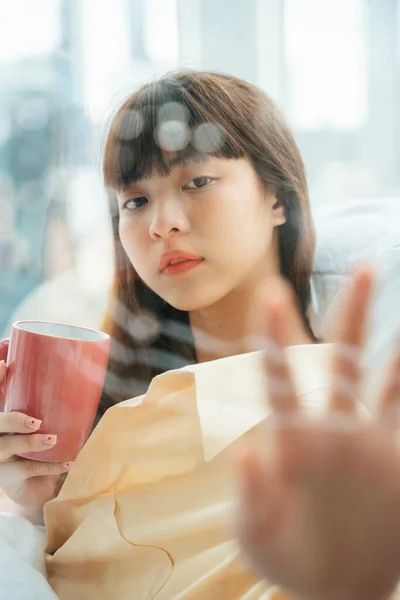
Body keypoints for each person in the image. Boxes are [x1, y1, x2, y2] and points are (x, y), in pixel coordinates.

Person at [0, 70, 399, 599]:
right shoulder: (105, 409)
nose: (162, 224)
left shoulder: (349, 418)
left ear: (277, 198)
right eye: (135, 201)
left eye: (197, 182)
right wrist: (38, 501)